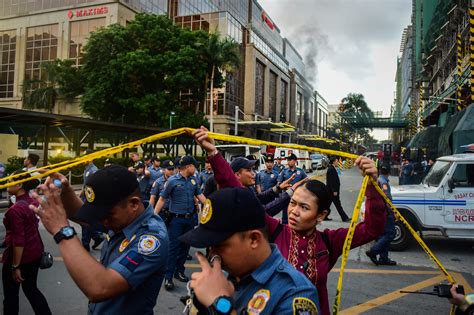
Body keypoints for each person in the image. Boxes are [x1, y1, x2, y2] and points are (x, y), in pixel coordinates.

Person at [191, 126, 386, 315]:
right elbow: (239, 199)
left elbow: (371, 230)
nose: (294, 211)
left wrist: (373, 186)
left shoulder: (329, 242)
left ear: (321, 215)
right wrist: (214, 154)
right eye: (293, 203)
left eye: (304, 207)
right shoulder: (275, 230)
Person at [29, 165, 169, 314]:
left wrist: (63, 231)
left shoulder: (151, 239)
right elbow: (81, 214)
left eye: (107, 215)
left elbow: (100, 287)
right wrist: (65, 191)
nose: (103, 221)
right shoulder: (123, 219)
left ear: (133, 204)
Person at [180, 187, 320, 314]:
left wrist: (219, 304)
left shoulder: (295, 293)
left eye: (220, 245)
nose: (212, 254)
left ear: (254, 239)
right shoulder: (234, 274)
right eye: (210, 246)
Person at [2, 171, 52, 315]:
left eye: (9, 179)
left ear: (19, 185)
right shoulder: (31, 202)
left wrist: (15, 266)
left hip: (19, 256)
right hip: (35, 252)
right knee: (31, 289)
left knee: (11, 296)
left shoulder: (16, 209)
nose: (6, 181)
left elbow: (19, 240)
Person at [154, 155, 206, 291]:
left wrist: (211, 207)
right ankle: (168, 276)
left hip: (189, 219)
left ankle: (179, 271)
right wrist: (153, 216)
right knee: (173, 248)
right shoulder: (172, 181)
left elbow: (201, 197)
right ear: (188, 167)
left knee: (185, 247)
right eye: (194, 165)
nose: (196, 168)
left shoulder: (194, 180)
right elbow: (162, 199)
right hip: (176, 220)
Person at [366, 165, 396, 266]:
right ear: (389, 172)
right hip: (385, 211)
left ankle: (384, 258)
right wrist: (391, 211)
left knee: (384, 234)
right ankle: (373, 251)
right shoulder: (384, 182)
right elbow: (387, 198)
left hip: (379, 211)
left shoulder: (378, 179)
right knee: (390, 234)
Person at [80, 151, 104, 252]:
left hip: (90, 200)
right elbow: (86, 184)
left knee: (85, 221)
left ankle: (85, 244)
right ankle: (97, 237)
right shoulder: (87, 169)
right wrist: (81, 193)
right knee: (85, 221)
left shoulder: (94, 170)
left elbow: (96, 187)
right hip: (85, 198)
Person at [277, 153, 308, 224]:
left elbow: (307, 182)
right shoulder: (284, 171)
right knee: (285, 216)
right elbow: (278, 184)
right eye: (287, 160)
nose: (288, 161)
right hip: (286, 196)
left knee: (297, 215)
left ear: (295, 161)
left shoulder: (301, 171)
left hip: (298, 197)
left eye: (290, 160)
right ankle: (285, 230)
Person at [149, 159, 176, 224]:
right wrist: (150, 213)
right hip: (162, 213)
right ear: (163, 170)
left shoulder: (177, 181)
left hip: (174, 213)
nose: (171, 171)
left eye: (172, 169)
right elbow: (153, 198)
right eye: (169, 169)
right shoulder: (158, 182)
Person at [326, 156, 351, 222]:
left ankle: (324, 216)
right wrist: (334, 190)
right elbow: (332, 181)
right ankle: (344, 218)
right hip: (332, 191)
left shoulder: (332, 168)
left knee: (327, 204)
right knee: (338, 204)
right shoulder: (331, 169)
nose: (337, 162)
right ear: (334, 162)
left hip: (330, 191)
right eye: (337, 161)